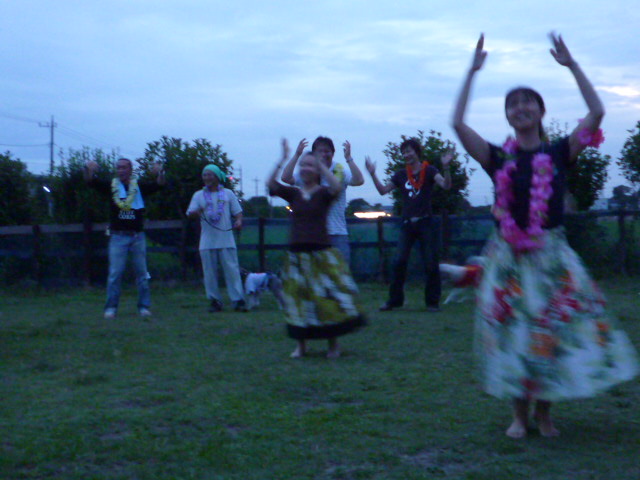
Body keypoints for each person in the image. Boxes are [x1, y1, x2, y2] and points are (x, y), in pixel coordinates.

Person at [452, 33, 638, 438]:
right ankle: (519, 415)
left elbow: (597, 111)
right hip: (508, 261)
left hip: (551, 257)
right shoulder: (497, 158)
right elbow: (457, 124)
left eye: (528, 102)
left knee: (549, 332)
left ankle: (545, 414)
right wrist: (471, 72)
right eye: (512, 104)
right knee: (513, 334)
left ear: (540, 111)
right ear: (507, 116)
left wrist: (572, 66)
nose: (520, 108)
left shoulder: (558, 153)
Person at [268, 139, 366, 359]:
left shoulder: (324, 193)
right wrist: (284, 158)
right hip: (297, 255)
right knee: (298, 300)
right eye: (303, 165)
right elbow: (273, 183)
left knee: (326, 299)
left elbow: (337, 187)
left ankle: (333, 345)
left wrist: (321, 164)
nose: (305, 168)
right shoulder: (294, 193)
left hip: (321, 253)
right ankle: (301, 346)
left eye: (309, 165)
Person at [365, 139, 452, 312]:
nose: (406, 155)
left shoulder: (430, 170)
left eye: (409, 151)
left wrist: (446, 167)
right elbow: (383, 190)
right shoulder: (400, 174)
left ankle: (432, 303)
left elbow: (446, 185)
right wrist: (373, 174)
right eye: (404, 152)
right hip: (407, 223)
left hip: (426, 223)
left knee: (430, 263)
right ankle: (394, 301)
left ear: (417, 152)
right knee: (399, 262)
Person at [84, 157, 165, 319]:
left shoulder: (138, 186)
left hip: (137, 236)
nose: (120, 170)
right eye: (118, 168)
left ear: (130, 170)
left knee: (142, 274)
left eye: (124, 167)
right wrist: (87, 169)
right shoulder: (111, 186)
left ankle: (144, 307)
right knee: (115, 274)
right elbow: (90, 181)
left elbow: (159, 184)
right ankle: (111, 308)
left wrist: (160, 172)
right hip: (118, 236)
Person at [281, 136, 364, 264]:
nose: (324, 154)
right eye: (319, 151)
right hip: (313, 234)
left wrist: (348, 158)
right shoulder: (309, 172)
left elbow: (359, 180)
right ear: (313, 154)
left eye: (327, 151)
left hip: (337, 231)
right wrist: (297, 154)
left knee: (341, 271)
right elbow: (286, 178)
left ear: (332, 153)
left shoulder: (339, 170)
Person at [186, 164, 247, 312]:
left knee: (232, 271)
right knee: (209, 273)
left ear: (217, 177)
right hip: (207, 241)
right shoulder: (198, 195)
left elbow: (238, 212)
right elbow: (190, 213)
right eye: (205, 175)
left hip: (226, 240)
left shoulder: (228, 194)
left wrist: (239, 221)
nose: (207, 178)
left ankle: (237, 300)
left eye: (210, 175)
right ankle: (215, 301)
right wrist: (196, 212)